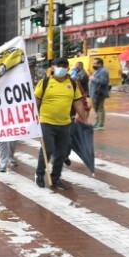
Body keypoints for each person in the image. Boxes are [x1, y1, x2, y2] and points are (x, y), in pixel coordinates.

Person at [34, 58, 89, 190]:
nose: (62, 68)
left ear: (68, 69)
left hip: (65, 124)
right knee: (47, 150)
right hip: (46, 122)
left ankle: (55, 177)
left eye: (65, 66)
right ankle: (39, 174)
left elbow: (77, 102)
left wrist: (84, 118)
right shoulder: (45, 82)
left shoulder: (72, 84)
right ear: (53, 67)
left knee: (62, 153)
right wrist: (32, 118)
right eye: (59, 65)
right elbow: (36, 101)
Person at [88, 57, 111, 130]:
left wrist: (93, 79)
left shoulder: (103, 71)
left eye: (95, 63)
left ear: (100, 64)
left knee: (99, 108)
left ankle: (100, 124)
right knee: (96, 108)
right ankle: (97, 122)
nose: (93, 64)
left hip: (99, 93)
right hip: (95, 93)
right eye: (93, 63)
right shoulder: (98, 70)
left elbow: (103, 82)